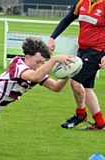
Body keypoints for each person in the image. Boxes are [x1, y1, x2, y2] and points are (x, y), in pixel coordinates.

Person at [47, 0, 105, 130]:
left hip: (97, 52)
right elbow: (66, 20)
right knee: (87, 88)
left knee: (75, 81)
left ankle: (80, 114)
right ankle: (100, 124)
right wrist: (52, 37)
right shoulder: (82, 2)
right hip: (83, 50)